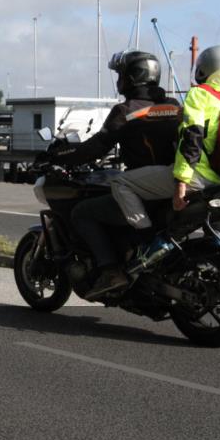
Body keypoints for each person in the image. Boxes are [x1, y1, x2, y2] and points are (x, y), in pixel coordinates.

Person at [42, 51, 181, 299]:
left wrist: (59, 156)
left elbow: (96, 147)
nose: (119, 80)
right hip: (173, 185)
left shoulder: (125, 110)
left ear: (131, 77)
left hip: (144, 190)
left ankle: (110, 270)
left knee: (82, 212)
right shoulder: (173, 106)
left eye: (121, 74)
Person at [109, 46, 220, 263]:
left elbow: (192, 139)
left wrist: (181, 183)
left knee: (120, 183)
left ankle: (149, 244)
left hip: (199, 176)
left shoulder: (201, 95)